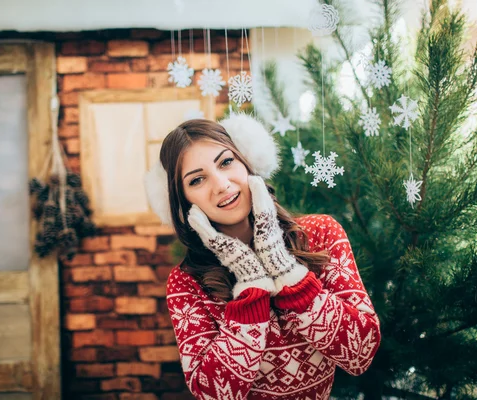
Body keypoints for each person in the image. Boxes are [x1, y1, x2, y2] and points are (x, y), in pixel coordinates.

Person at [144, 113, 380, 399]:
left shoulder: (321, 234)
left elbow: (361, 354)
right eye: (197, 180)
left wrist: (283, 268)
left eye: (226, 162)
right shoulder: (185, 283)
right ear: (183, 202)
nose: (221, 184)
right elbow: (214, 394)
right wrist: (251, 284)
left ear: (247, 162)